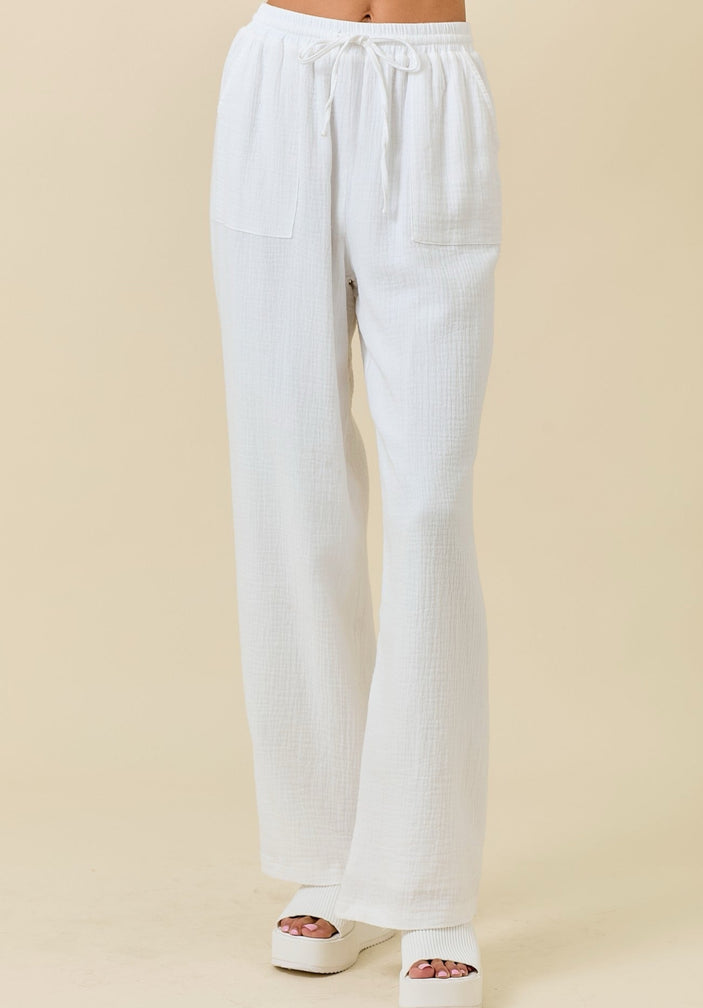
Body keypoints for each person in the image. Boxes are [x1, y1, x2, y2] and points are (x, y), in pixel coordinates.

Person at [209, 0, 502, 1004]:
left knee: (430, 508)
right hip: (279, 81)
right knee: (291, 480)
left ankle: (429, 882)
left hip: (428, 85)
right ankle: (333, 855)